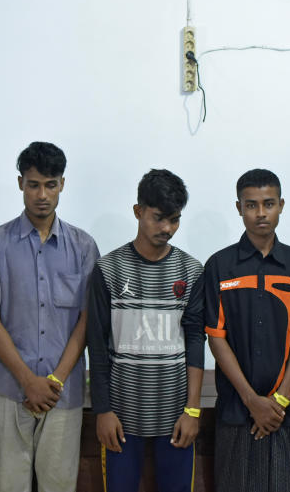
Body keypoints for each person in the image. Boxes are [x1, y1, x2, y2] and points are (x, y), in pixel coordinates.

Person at [0, 142, 100, 492]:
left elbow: (86, 321)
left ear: (62, 185)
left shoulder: (83, 247)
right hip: (8, 390)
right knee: (9, 486)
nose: (42, 194)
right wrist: (27, 381)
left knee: (59, 486)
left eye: (50, 185)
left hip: (61, 394)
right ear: (20, 183)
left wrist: (53, 381)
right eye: (34, 184)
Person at [86, 169, 205, 492]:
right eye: (158, 218)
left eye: (175, 219)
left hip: (176, 416)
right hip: (121, 417)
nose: (167, 228)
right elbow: (96, 345)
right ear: (138, 212)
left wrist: (192, 409)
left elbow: (195, 340)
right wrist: (104, 410)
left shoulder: (191, 271)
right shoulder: (108, 270)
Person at [203, 168, 290, 492]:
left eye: (268, 204)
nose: (260, 213)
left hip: (285, 413)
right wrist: (251, 400)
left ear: (281, 204)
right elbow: (216, 337)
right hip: (236, 410)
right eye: (251, 205)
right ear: (238, 208)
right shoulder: (219, 266)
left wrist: (279, 400)